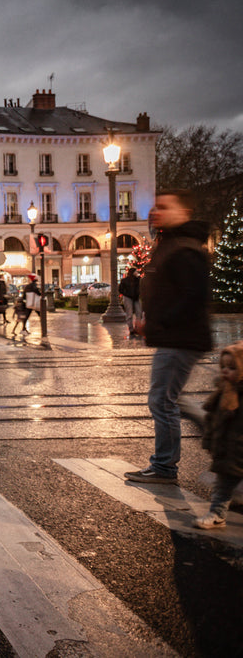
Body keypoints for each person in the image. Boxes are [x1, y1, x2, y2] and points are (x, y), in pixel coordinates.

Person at [126, 189, 212, 485]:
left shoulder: (184, 248)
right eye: (155, 206)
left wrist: (156, 323)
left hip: (180, 338)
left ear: (183, 213)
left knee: (162, 401)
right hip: (174, 336)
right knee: (170, 400)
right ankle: (215, 429)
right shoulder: (172, 243)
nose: (155, 211)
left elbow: (193, 296)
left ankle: (164, 466)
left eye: (163, 207)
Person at [194, 343, 243, 529]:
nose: (225, 371)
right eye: (223, 367)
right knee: (222, 487)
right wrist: (210, 442)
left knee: (225, 486)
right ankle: (217, 514)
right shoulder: (223, 391)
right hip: (229, 452)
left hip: (237, 450)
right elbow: (212, 420)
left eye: (232, 368)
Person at [119, 267, 143, 332]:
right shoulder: (125, 280)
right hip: (128, 298)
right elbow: (120, 289)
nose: (137, 273)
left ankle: (137, 328)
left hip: (136, 297)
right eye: (136, 271)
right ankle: (131, 329)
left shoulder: (139, 280)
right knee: (129, 313)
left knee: (139, 313)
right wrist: (126, 294)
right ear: (132, 272)